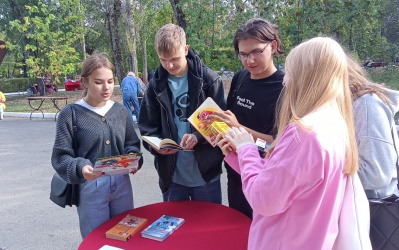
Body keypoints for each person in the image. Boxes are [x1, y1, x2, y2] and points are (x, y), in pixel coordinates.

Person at [216, 37, 359, 249]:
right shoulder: (333, 122)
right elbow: (280, 177)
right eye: (243, 55)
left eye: (290, 73)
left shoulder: (304, 133)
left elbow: (263, 198)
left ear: (306, 77)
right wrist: (235, 154)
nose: (285, 81)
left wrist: (246, 147)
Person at [51, 53, 142, 238]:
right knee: (97, 239)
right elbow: (60, 157)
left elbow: (132, 143)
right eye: (99, 82)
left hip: (122, 184)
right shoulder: (70, 114)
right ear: (84, 82)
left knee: (125, 235)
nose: (106, 88)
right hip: (90, 185)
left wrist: (133, 159)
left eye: (110, 81)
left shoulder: (120, 111)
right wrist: (81, 167)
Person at [138, 23, 226, 204]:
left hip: (206, 173)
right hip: (171, 174)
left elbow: (222, 124)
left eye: (174, 58)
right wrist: (156, 147)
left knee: (208, 228)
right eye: (163, 60)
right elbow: (147, 128)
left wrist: (198, 137)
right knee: (175, 229)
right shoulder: (155, 86)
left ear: (186, 49)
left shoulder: (209, 80)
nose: (169, 65)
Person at [210, 17, 284, 218]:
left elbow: (278, 145)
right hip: (236, 172)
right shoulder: (240, 78)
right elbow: (230, 122)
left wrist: (240, 130)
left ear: (273, 46)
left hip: (265, 179)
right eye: (243, 54)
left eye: (256, 52)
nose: (249, 61)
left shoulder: (285, 87)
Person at [347, 55, 399, 198]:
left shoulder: (366, 104)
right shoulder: (350, 104)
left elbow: (376, 175)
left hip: (373, 209)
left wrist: (320, 174)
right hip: (357, 206)